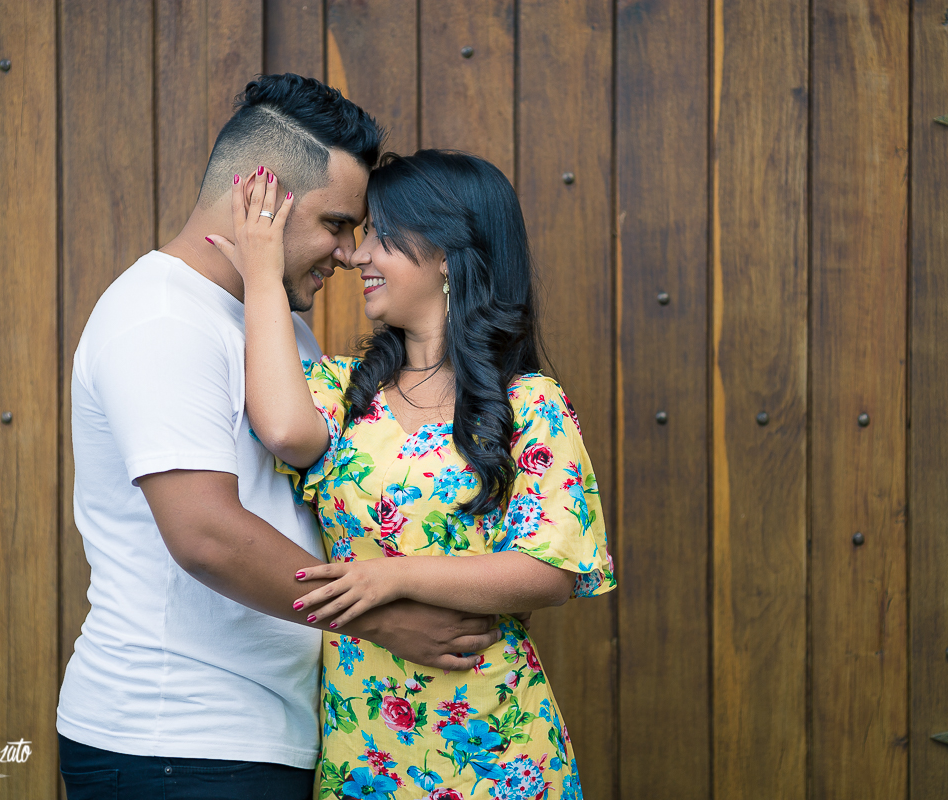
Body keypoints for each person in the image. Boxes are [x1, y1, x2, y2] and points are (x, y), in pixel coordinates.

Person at [56, 75, 504, 800]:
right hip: (178, 744)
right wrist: (386, 620)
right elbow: (205, 532)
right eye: (336, 223)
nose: (350, 252)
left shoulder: (273, 324)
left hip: (270, 736)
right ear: (255, 194)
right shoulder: (161, 318)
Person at [208, 150, 615, 799]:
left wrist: (390, 576)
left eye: (381, 235)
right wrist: (262, 273)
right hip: (363, 745)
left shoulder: (530, 404)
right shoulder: (341, 392)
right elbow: (283, 429)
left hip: (497, 751)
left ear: (450, 253)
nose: (358, 255)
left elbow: (551, 569)